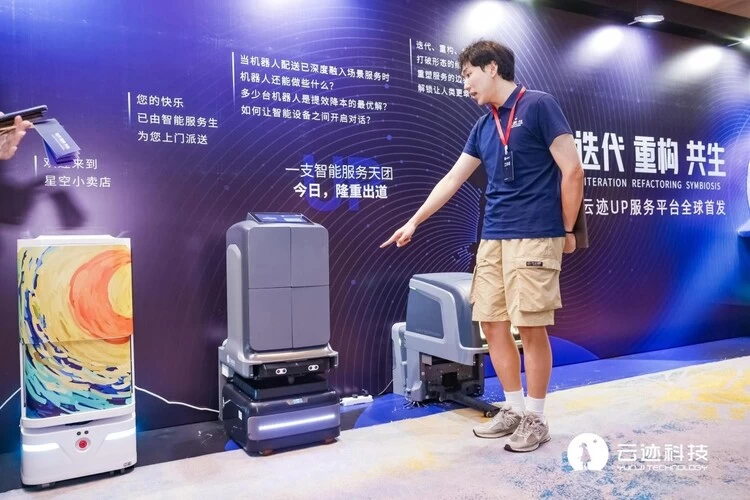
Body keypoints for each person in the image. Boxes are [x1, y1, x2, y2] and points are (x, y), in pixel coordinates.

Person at [381, 40, 584, 453]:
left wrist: (566, 229)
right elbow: (452, 179)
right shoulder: (483, 126)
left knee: (531, 326)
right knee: (491, 323)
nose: (465, 85)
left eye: (468, 74)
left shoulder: (539, 106)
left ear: (491, 68)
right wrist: (414, 221)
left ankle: (536, 417)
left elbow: (573, 170)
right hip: (493, 236)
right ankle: (513, 409)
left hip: (535, 233)